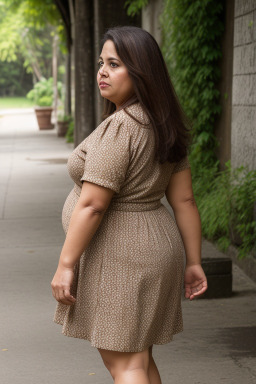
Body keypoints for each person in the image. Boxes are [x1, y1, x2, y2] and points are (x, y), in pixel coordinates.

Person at [51, 26, 208, 384]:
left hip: (122, 255)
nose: (102, 71)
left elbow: (92, 205)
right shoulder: (163, 124)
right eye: (101, 62)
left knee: (126, 366)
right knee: (139, 359)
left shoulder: (123, 126)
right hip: (155, 248)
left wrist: (65, 265)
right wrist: (194, 261)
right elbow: (184, 200)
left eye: (115, 64)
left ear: (141, 73)